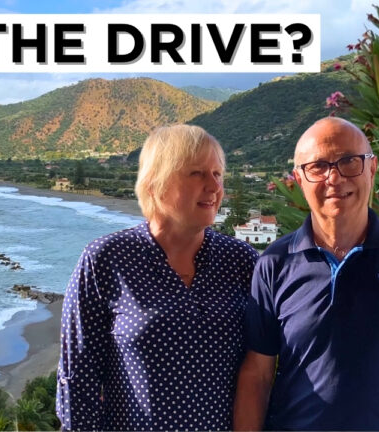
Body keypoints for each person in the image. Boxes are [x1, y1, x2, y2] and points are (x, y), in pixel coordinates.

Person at [234, 117, 379, 431]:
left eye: (349, 161)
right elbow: (257, 373)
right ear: (299, 180)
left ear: (371, 168)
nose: (334, 178)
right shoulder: (275, 263)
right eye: (318, 166)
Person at [56, 124, 259, 431]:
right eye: (197, 173)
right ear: (155, 184)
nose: (214, 186)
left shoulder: (241, 261)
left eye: (217, 174)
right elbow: (77, 379)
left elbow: (263, 367)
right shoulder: (107, 259)